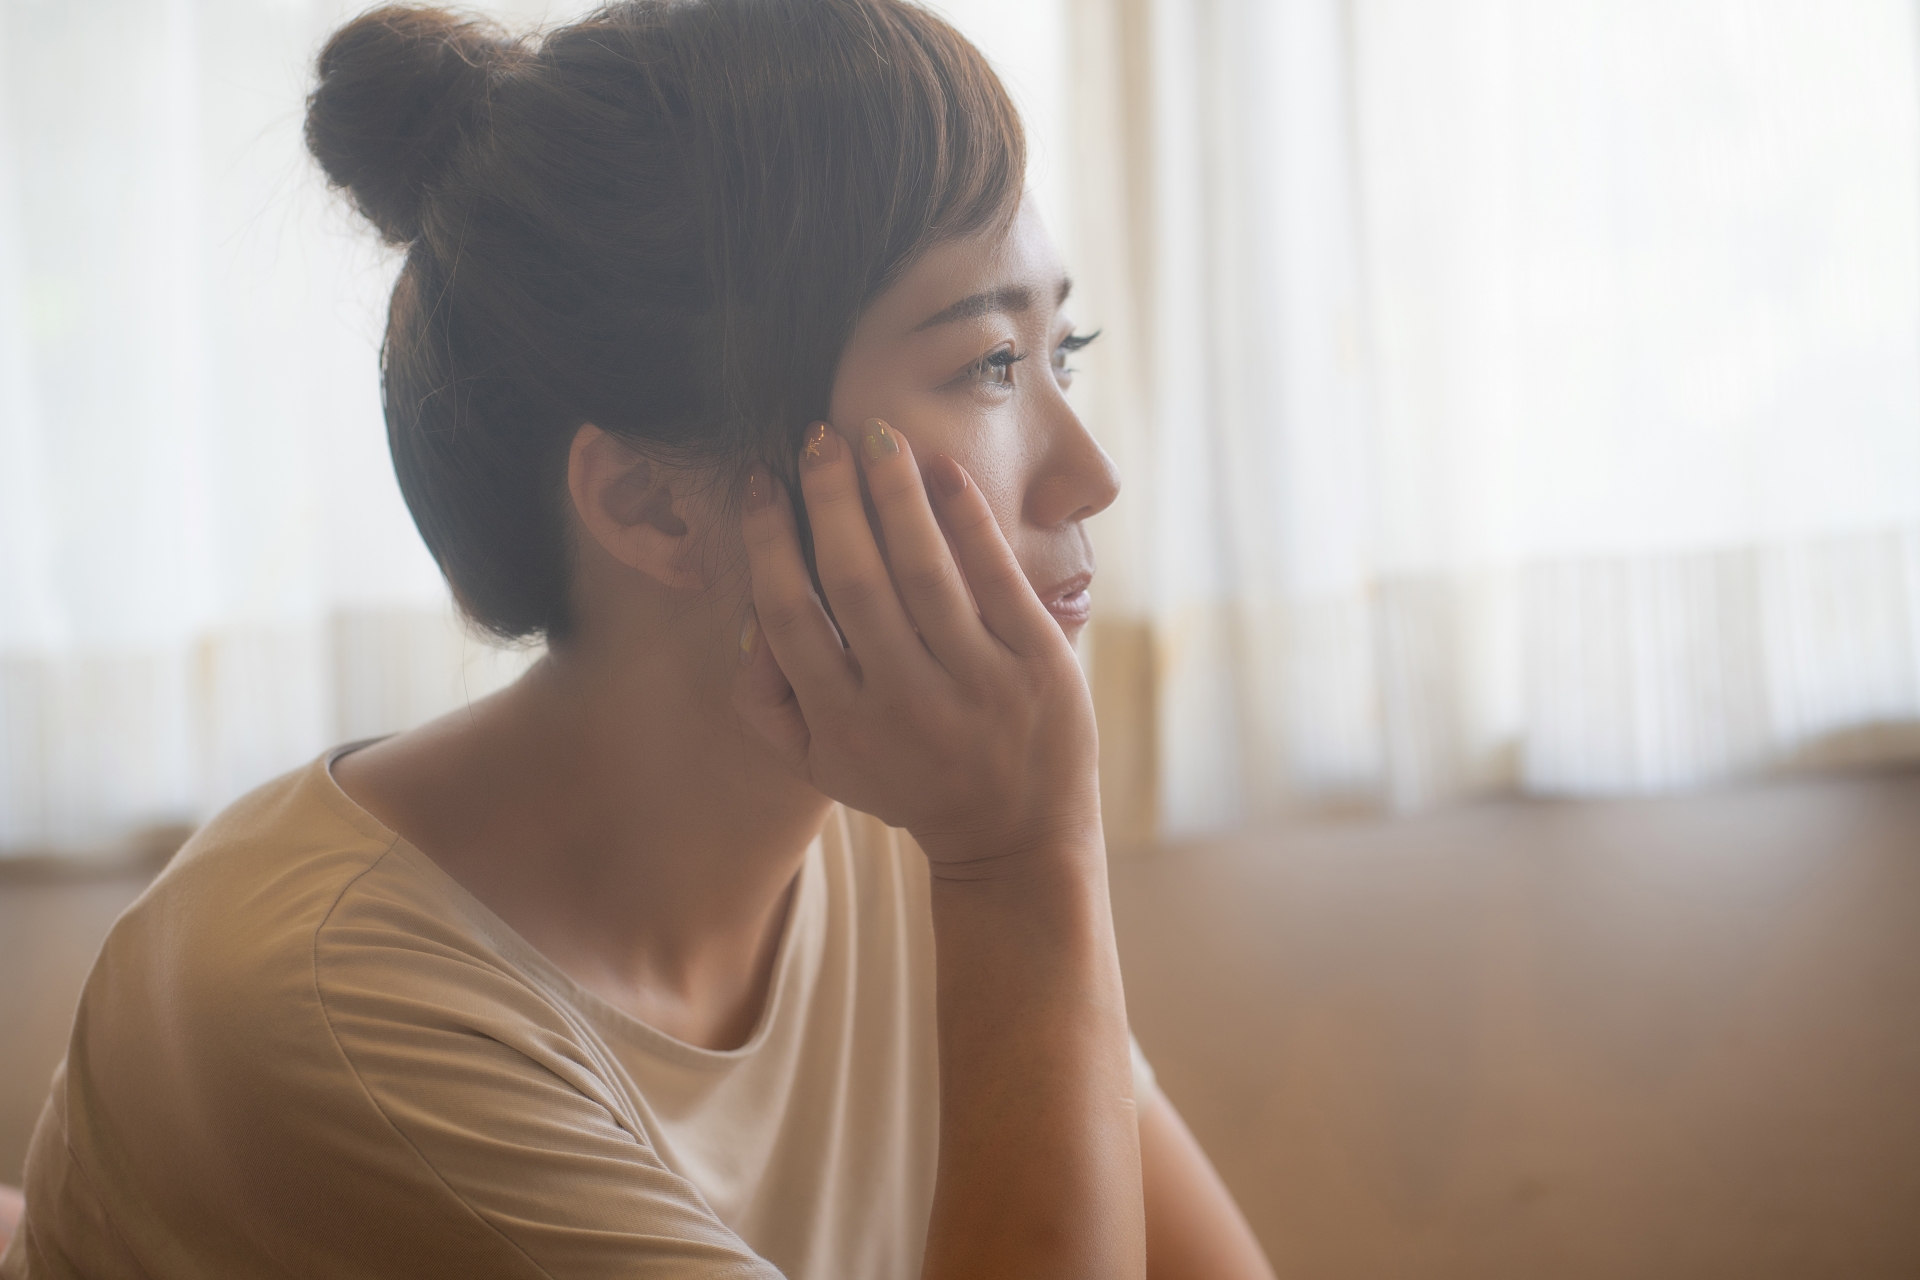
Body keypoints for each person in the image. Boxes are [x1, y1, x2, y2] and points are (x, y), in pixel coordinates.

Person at [0, 2, 1274, 1276]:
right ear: (647, 501)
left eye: (1067, 350)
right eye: (990, 365)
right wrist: (1021, 863)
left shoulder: (901, 827)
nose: (1091, 475)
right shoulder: (328, 1009)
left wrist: (1003, 862)